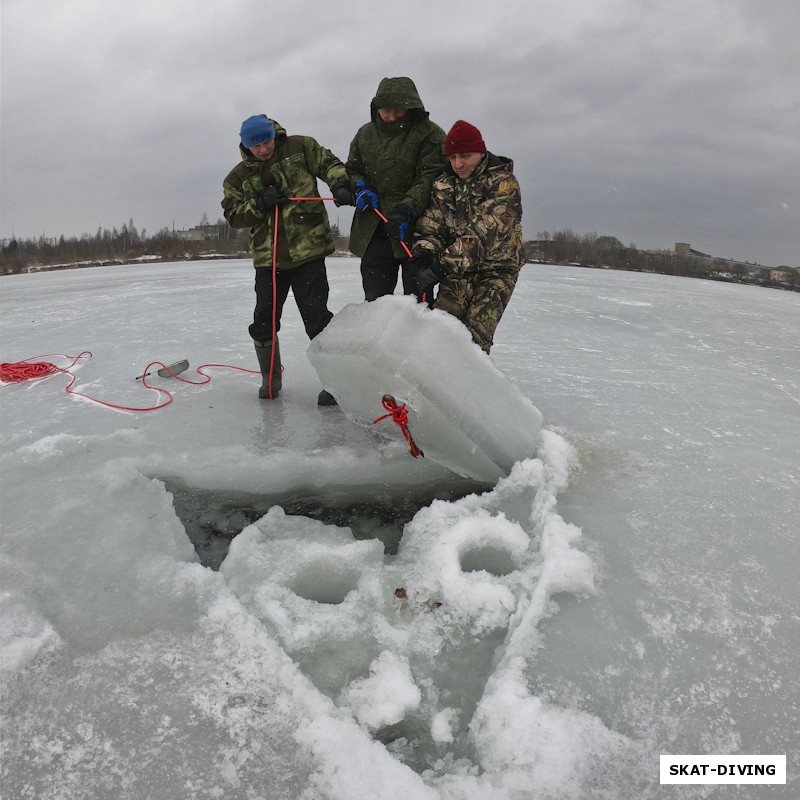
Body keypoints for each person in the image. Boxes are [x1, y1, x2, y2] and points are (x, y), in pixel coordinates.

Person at [221, 114, 354, 405]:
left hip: (309, 253)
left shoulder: (300, 147)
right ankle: (271, 379)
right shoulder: (238, 176)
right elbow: (233, 215)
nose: (263, 149)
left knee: (317, 320)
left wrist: (340, 185)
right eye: (255, 146)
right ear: (245, 145)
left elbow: (329, 164)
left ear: (274, 135)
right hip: (269, 261)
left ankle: (334, 382)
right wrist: (259, 204)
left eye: (266, 141)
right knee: (263, 322)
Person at [406, 120, 525, 353]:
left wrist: (441, 265)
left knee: (474, 341)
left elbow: (484, 234)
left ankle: (467, 388)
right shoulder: (443, 185)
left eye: (465, 156)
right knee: (440, 333)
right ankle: (424, 388)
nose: (458, 164)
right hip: (459, 271)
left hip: (497, 271)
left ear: (481, 152)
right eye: (452, 158)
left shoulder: (504, 184)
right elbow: (432, 224)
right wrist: (425, 251)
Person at [346, 77, 445, 301]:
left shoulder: (430, 135)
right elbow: (352, 169)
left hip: (417, 229)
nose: (391, 117)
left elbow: (431, 176)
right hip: (374, 228)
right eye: (385, 110)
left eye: (399, 111)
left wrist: (408, 207)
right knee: (375, 303)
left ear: (411, 107)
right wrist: (360, 187)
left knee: (418, 303)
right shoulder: (365, 135)